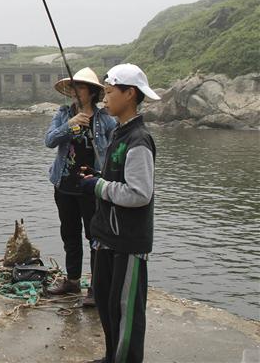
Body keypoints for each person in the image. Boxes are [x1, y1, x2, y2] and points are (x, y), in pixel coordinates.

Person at [79, 63, 161, 363]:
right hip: (107, 237)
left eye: (111, 92)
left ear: (130, 94)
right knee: (108, 304)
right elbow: (117, 178)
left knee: (126, 311)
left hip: (127, 241)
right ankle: (111, 357)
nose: (105, 98)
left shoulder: (138, 139)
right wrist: (97, 177)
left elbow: (139, 194)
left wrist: (99, 186)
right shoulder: (120, 133)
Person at [44, 67, 117, 306]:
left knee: (95, 236)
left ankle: (96, 287)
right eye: (74, 87)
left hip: (92, 187)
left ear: (92, 93)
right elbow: (50, 140)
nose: (76, 92)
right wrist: (71, 124)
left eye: (81, 87)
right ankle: (72, 280)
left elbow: (112, 153)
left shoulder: (105, 120)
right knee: (69, 233)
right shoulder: (64, 113)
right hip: (64, 184)